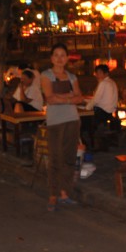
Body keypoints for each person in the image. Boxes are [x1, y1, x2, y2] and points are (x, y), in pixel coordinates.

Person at [40, 44, 84, 212]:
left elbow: (80, 98)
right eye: (56, 55)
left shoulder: (72, 77)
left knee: (69, 158)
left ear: (67, 58)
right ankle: (53, 194)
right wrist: (69, 97)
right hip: (55, 121)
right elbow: (49, 98)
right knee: (55, 158)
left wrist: (63, 97)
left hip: (72, 119)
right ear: (51, 58)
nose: (59, 58)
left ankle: (65, 193)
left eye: (63, 55)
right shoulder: (46, 75)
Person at [81, 63, 118, 151]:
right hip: (109, 112)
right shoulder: (112, 82)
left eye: (99, 72)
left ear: (105, 73)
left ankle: (88, 143)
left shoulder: (103, 83)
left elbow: (96, 100)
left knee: (83, 120)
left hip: (102, 112)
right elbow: (98, 99)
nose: (97, 75)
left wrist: (86, 109)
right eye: (96, 73)